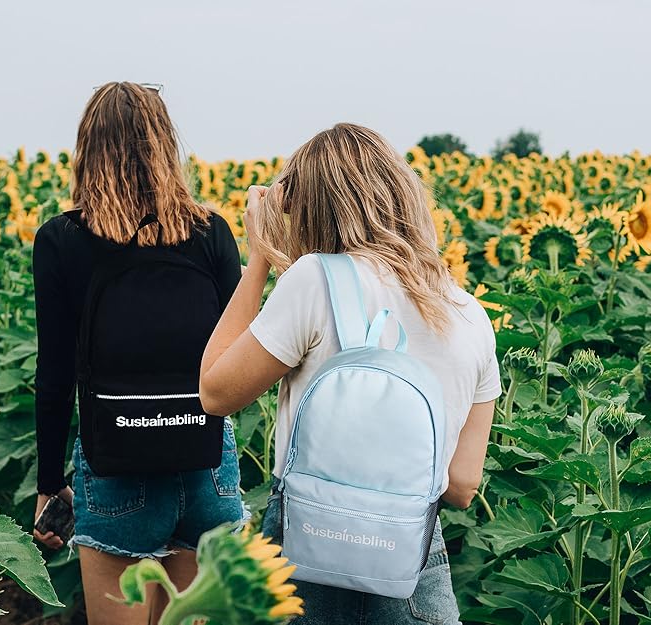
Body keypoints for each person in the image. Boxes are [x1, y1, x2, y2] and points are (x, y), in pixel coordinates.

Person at [199, 123, 499, 624]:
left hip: (304, 559)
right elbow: (462, 486)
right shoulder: (469, 313)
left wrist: (258, 257)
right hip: (414, 569)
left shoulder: (316, 277)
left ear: (311, 208)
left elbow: (215, 392)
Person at [32, 82, 246, 625]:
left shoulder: (61, 240)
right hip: (207, 463)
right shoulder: (210, 232)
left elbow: (55, 375)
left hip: (115, 467)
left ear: (86, 149)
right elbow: (236, 351)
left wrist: (49, 485)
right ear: (164, 146)